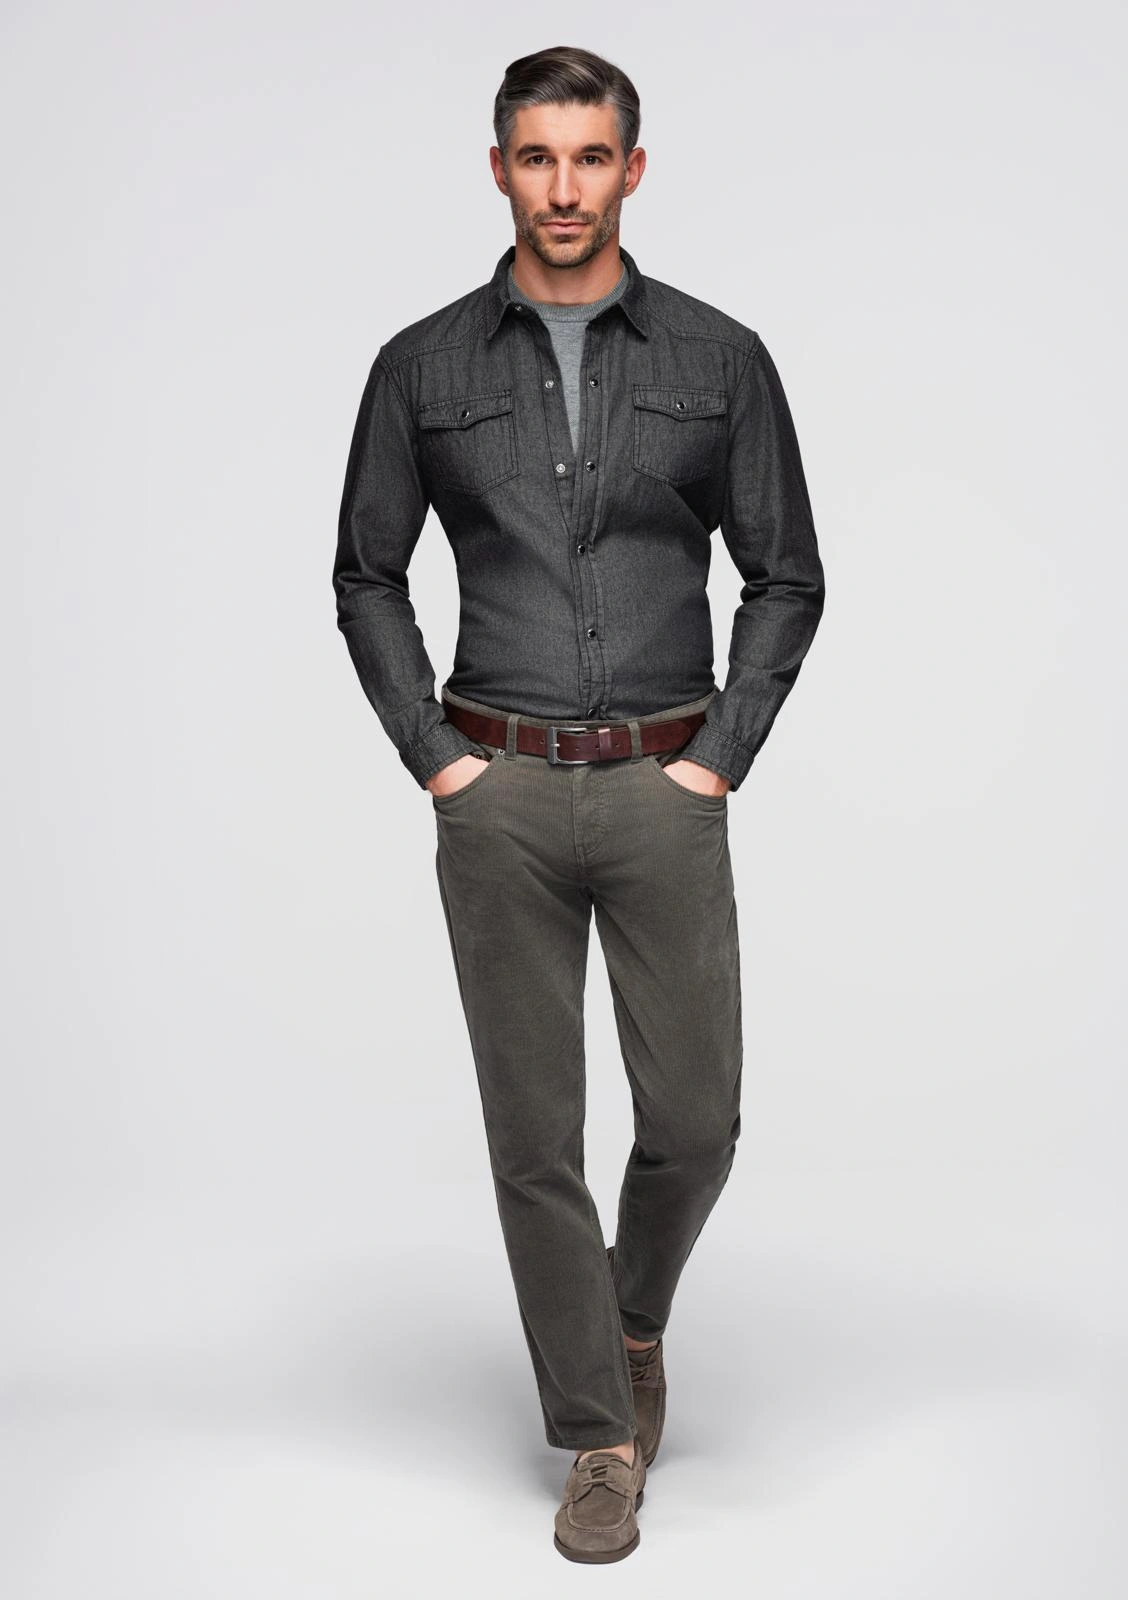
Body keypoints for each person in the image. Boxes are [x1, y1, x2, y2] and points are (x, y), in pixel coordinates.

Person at [332, 43, 825, 1563]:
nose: (564, 188)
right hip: (500, 799)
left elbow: (786, 575)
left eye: (591, 156)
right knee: (533, 1138)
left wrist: (718, 757)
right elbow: (366, 575)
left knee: (697, 1119)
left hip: (667, 788)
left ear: (633, 169)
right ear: (499, 169)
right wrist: (437, 757)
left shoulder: (720, 358)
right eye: (537, 157)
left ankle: (631, 1321)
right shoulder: (421, 368)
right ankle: (600, 1438)